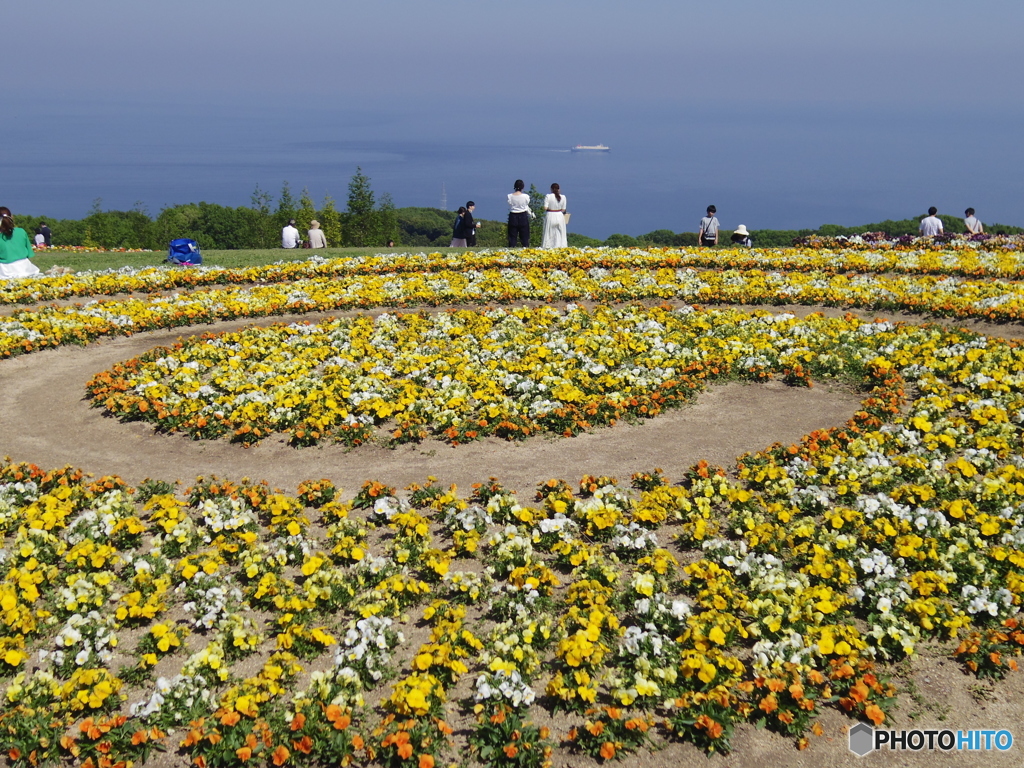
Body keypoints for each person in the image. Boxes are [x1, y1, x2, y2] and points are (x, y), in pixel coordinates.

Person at [0, 207, 42, 279]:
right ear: (11, 217)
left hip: (5, 270)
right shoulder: (21, 231)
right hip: (25, 268)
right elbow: (29, 254)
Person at [507, 179, 533, 247]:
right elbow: (526, 204)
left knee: (512, 235)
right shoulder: (526, 196)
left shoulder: (509, 196)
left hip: (513, 215)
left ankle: (512, 247)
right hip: (523, 215)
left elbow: (510, 203)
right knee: (524, 235)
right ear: (523, 187)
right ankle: (525, 248)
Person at [542, 183, 568, 249]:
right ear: (559, 189)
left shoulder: (548, 196)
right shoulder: (563, 197)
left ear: (551, 189)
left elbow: (545, 207)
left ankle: (548, 246)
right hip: (559, 215)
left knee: (549, 232)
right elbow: (563, 209)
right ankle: (560, 246)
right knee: (560, 232)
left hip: (550, 214)